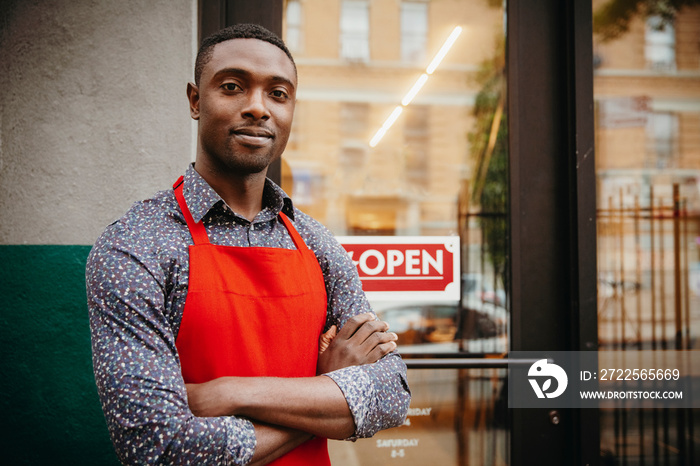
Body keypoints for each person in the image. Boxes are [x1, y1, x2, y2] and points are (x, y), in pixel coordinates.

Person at [86, 23, 411, 465]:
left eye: (278, 94)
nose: (258, 108)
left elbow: (392, 395)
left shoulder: (316, 243)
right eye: (234, 87)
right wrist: (327, 389)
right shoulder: (137, 245)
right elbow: (158, 449)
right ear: (196, 101)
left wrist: (226, 393)